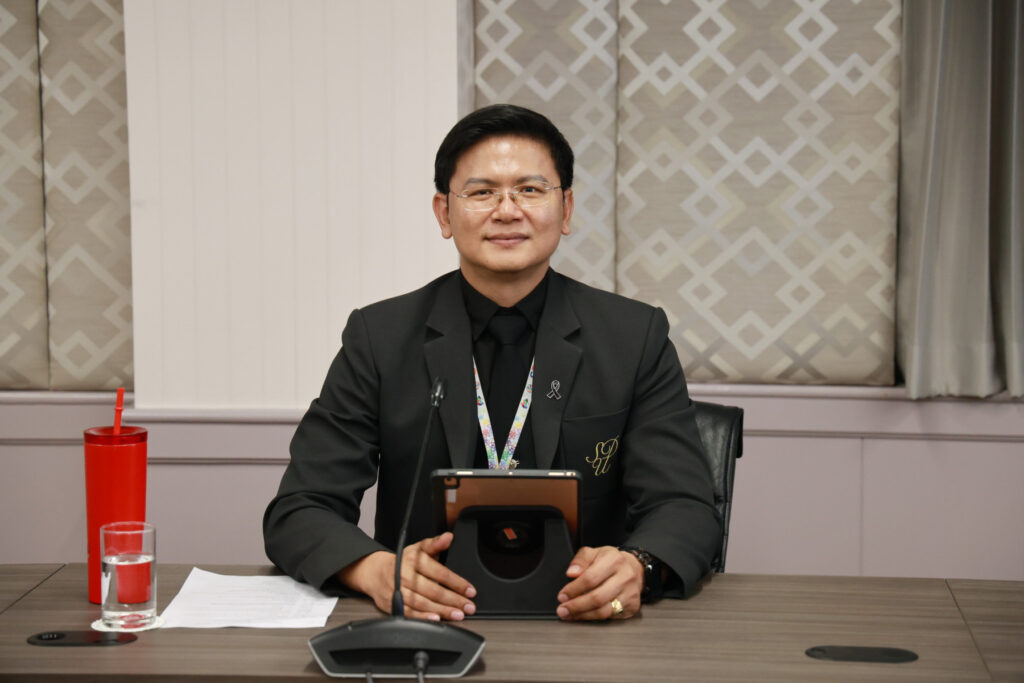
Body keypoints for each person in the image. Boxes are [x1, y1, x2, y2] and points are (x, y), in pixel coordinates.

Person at [263, 104, 721, 622]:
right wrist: (374, 570)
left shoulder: (633, 336)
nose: (507, 211)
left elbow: (685, 506)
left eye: (530, 190)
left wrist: (638, 566)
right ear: (444, 213)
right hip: (427, 624)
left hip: (583, 622)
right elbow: (300, 509)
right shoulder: (381, 338)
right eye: (482, 193)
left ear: (566, 210)